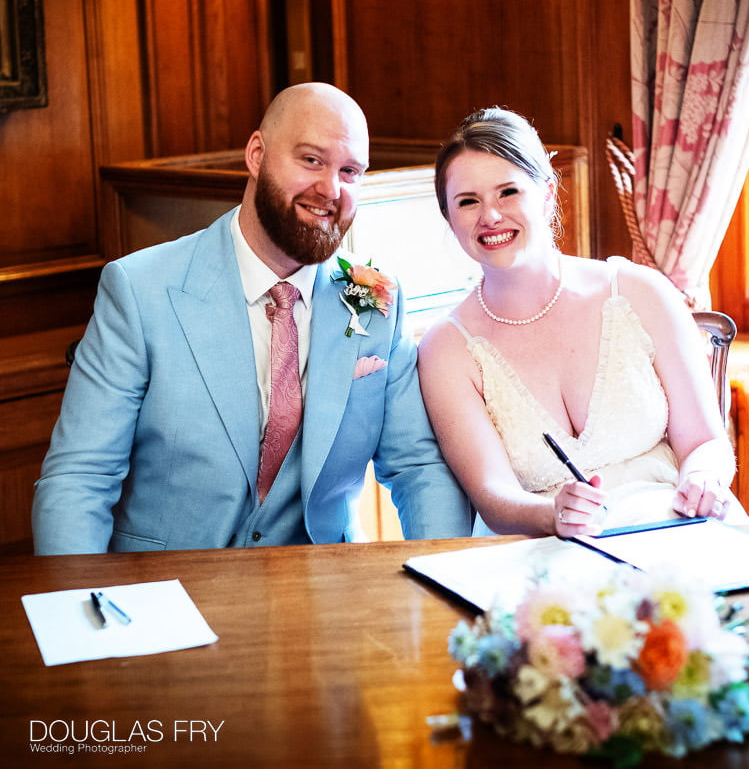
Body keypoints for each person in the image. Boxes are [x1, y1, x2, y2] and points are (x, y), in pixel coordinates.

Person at [32, 82, 473, 554]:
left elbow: (418, 467)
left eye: (350, 171)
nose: (331, 189)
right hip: (167, 587)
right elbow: (80, 477)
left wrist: (439, 581)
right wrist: (79, 606)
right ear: (257, 154)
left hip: (324, 589)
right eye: (311, 160)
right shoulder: (138, 289)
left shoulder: (374, 295)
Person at [418, 106, 749, 538]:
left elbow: (706, 442)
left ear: (548, 193)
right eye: (468, 201)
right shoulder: (447, 348)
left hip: (678, 524)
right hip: (544, 549)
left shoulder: (639, 291)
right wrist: (551, 516)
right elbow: (492, 496)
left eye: (508, 192)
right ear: (450, 217)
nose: (491, 216)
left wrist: (703, 478)